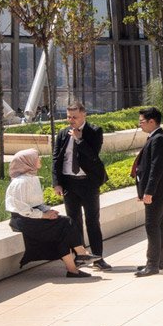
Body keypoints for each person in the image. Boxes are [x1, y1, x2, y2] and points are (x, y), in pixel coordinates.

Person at [4, 149, 91, 277]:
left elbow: (36, 203)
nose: (40, 160)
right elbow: (22, 209)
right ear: (28, 162)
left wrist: (47, 211)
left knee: (63, 229)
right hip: (23, 220)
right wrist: (43, 215)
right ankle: (81, 253)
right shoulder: (21, 182)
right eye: (36, 158)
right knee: (65, 222)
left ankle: (73, 269)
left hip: (32, 215)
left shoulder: (31, 178)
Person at [52, 102, 110, 268]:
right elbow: (56, 159)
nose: (71, 120)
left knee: (92, 221)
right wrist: (57, 183)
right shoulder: (63, 133)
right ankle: (80, 256)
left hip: (88, 183)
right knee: (74, 222)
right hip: (69, 183)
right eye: (68, 116)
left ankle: (98, 258)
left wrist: (79, 140)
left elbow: (93, 156)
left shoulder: (94, 131)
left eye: (74, 117)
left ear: (84, 115)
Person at [132, 106, 163, 276]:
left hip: (157, 190)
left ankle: (152, 264)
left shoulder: (158, 139)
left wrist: (148, 192)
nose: (140, 125)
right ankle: (159, 261)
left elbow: (156, 168)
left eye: (142, 122)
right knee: (159, 224)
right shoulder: (155, 137)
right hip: (158, 189)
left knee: (152, 225)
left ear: (152, 121)